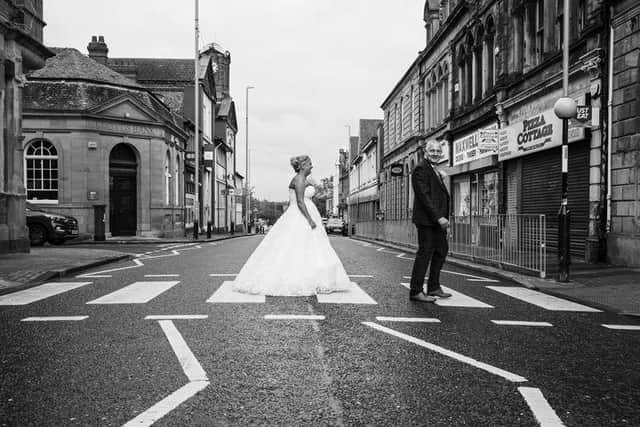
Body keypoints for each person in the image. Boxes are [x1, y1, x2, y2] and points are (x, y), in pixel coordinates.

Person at [232, 155, 351, 296]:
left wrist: (312, 185)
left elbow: (294, 200)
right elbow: (300, 202)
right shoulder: (299, 179)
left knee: (307, 246)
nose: (312, 166)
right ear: (302, 166)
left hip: (298, 213)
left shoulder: (302, 180)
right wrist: (310, 219)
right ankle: (304, 278)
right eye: (309, 164)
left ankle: (312, 277)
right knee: (300, 246)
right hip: (301, 215)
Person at [409, 140, 452, 303]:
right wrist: (439, 217)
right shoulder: (421, 169)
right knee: (425, 253)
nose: (435, 153)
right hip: (428, 220)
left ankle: (433, 287)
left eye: (438, 151)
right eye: (432, 150)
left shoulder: (434, 170)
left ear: (441, 153)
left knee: (441, 250)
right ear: (426, 152)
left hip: (435, 221)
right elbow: (424, 197)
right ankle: (415, 290)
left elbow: (439, 195)